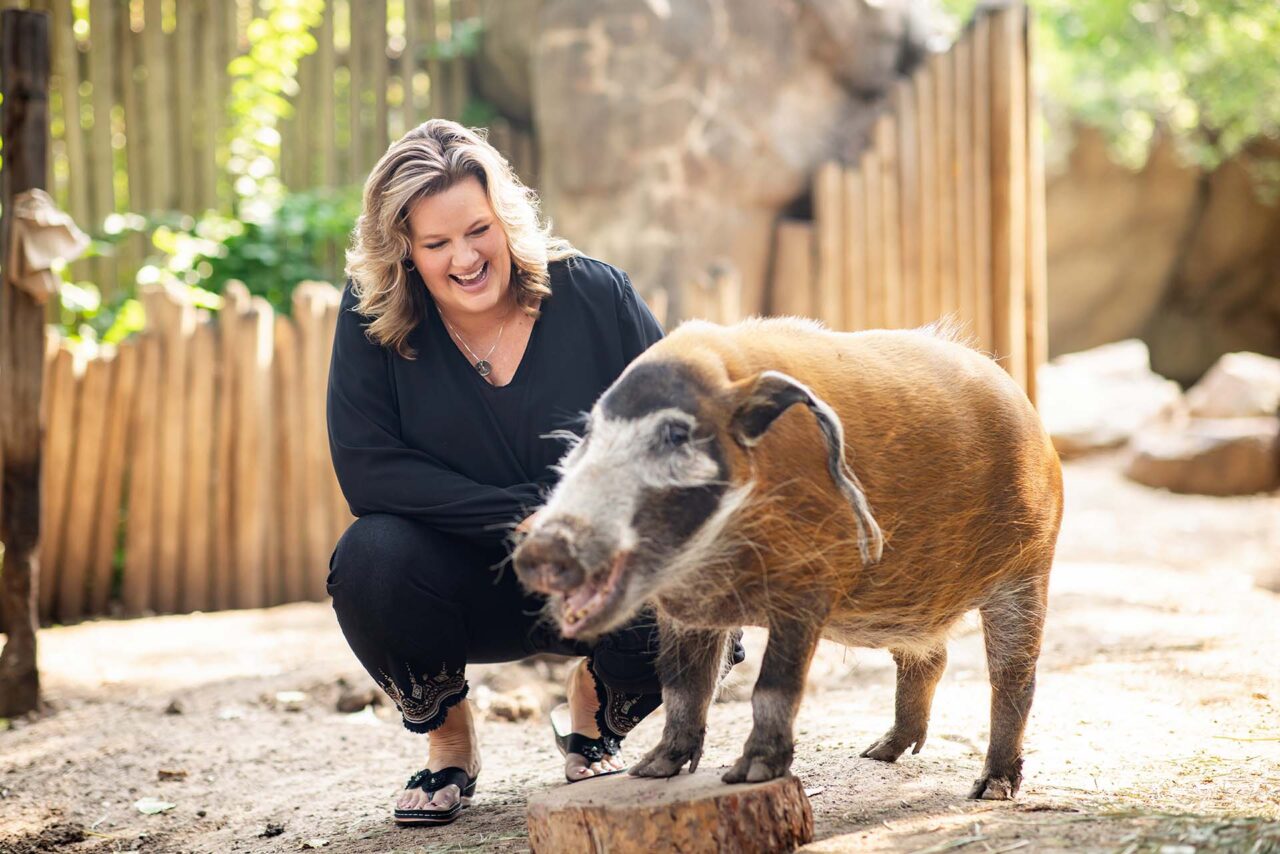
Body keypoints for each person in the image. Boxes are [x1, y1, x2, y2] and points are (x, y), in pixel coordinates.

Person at [326, 119, 669, 826]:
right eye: (437, 243)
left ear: (505, 217)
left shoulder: (595, 296)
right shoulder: (371, 321)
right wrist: (520, 516)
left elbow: (672, 431)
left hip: (601, 574)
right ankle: (448, 737)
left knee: (693, 573)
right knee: (369, 560)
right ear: (404, 253)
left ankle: (597, 704)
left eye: (478, 229)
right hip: (459, 586)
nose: (465, 258)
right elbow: (369, 470)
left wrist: (599, 533)